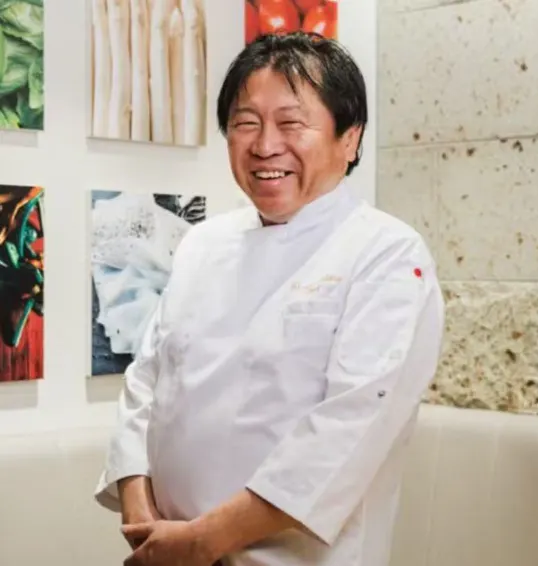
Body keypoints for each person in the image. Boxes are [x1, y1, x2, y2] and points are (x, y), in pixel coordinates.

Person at [93, 33, 444, 566]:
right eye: (246, 122)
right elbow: (146, 381)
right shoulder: (203, 242)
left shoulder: (386, 253)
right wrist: (140, 516)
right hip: (165, 549)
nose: (264, 145)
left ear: (350, 139)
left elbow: (349, 430)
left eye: (291, 123)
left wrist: (203, 541)